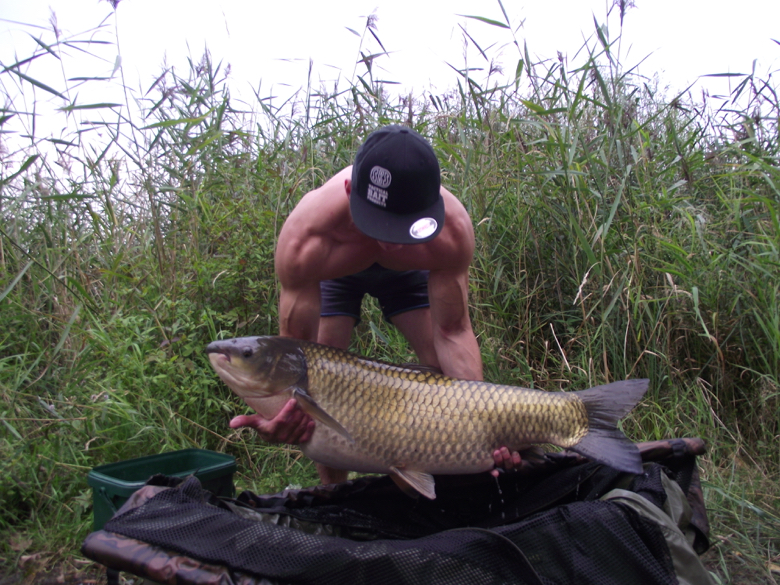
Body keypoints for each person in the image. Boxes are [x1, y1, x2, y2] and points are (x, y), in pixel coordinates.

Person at [230, 124, 521, 484]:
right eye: (381, 226)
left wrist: (483, 426)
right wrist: (286, 417)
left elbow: (453, 330)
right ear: (350, 191)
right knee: (325, 386)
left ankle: (439, 482)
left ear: (434, 207)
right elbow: (296, 356)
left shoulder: (450, 232)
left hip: (411, 272)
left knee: (441, 374)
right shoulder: (306, 240)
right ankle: (336, 497)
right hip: (336, 271)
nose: (393, 245)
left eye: (406, 228)